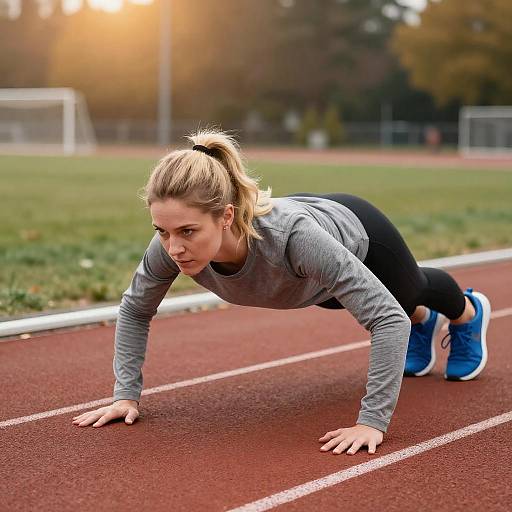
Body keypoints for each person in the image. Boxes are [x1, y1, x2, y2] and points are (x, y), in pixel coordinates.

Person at [72, 129, 491, 456]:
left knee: (406, 295)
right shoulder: (169, 248)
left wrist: (371, 422)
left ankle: (467, 315)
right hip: (307, 281)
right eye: (161, 231)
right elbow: (134, 310)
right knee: (342, 298)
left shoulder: (295, 241)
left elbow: (385, 320)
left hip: (359, 235)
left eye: (187, 231)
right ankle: (423, 323)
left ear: (226, 217)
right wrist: (125, 395)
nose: (174, 247)